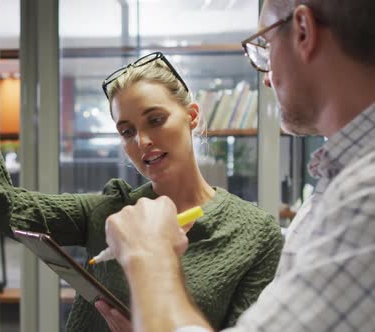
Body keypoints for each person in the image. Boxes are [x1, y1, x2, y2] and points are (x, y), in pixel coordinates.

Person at [0, 0, 283, 330]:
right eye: (127, 131)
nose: (141, 141)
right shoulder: (112, 211)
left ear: (191, 116)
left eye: (155, 120)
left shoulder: (255, 237)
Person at [101, 0, 375, 331]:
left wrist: (149, 257)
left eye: (266, 47)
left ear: (303, 31)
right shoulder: (337, 184)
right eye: (127, 131)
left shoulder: (365, 197)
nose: (266, 79)